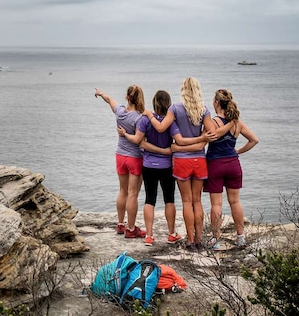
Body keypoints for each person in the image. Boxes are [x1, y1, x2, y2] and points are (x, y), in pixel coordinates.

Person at [143, 77, 223, 250]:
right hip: (199, 160)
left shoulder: (175, 109)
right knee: (198, 201)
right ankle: (199, 239)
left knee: (187, 202)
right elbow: (212, 134)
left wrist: (149, 115)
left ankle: (190, 240)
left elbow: (161, 128)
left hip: (182, 161)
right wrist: (201, 139)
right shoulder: (204, 110)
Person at [118, 90, 181, 246]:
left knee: (149, 199)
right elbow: (177, 142)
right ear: (169, 104)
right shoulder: (170, 122)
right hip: (166, 165)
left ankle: (149, 236)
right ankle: (172, 233)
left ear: (154, 103)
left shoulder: (145, 119)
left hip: (148, 165)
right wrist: (168, 150)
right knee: (169, 199)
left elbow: (140, 142)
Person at [205, 89, 258, 249]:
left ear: (216, 102)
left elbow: (205, 139)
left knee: (216, 204)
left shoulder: (213, 122)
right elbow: (254, 140)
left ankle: (216, 239)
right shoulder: (236, 122)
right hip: (233, 164)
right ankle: (240, 237)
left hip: (215, 164)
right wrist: (238, 151)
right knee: (235, 201)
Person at [94, 86, 147, 239]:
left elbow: (109, 100)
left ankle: (120, 224)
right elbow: (140, 140)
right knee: (133, 194)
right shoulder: (140, 118)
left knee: (122, 191)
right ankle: (131, 229)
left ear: (127, 97)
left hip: (120, 156)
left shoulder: (120, 112)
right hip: (135, 158)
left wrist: (101, 92)